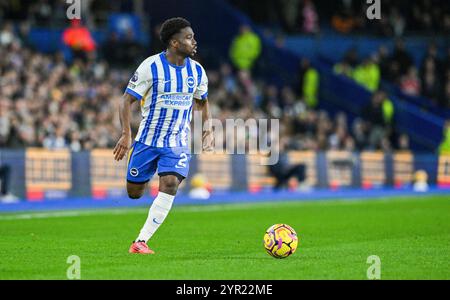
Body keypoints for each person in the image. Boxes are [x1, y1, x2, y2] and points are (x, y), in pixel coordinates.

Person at [113, 17, 214, 255]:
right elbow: (126, 101)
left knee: (170, 184)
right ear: (174, 43)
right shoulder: (150, 67)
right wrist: (126, 135)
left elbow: (202, 102)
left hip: (177, 143)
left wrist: (207, 128)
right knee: (134, 193)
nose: (194, 42)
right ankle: (145, 179)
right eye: (189, 38)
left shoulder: (197, 71)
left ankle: (141, 241)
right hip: (147, 141)